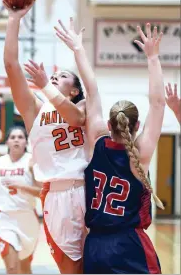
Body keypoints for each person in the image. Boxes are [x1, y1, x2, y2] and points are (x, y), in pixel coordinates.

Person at [51, 19, 165, 273]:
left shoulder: (97, 141)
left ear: (109, 123)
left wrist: (78, 49)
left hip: (96, 246)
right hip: (129, 244)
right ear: (136, 127)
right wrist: (153, 58)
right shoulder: (140, 154)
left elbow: (92, 91)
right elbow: (158, 104)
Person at [3, 3, 89, 274]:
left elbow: (75, 119)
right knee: (70, 267)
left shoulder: (84, 107)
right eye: (52, 76)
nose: (54, 77)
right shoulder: (35, 110)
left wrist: (46, 86)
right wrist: (14, 19)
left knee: (98, 263)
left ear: (74, 90)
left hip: (88, 189)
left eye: (61, 76)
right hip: (56, 193)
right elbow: (11, 65)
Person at [0, 126, 41, 274]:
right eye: (12, 137)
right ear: (7, 142)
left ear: (26, 142)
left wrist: (22, 187)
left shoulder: (32, 163)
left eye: (20, 137)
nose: (16, 140)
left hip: (27, 219)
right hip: (4, 218)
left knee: (25, 268)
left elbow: (42, 192)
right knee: (12, 268)